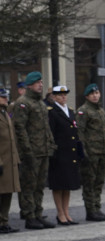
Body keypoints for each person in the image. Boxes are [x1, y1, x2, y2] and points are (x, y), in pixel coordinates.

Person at [12, 72, 56, 229]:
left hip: (43, 150)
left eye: (41, 82)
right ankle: (29, 216)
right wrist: (27, 151)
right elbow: (20, 129)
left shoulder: (40, 103)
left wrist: (50, 144)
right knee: (28, 185)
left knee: (39, 185)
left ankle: (38, 213)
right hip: (31, 152)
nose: (40, 85)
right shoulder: (23, 103)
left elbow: (46, 127)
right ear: (29, 85)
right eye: (37, 82)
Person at [46, 85, 82, 226]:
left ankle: (66, 212)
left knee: (67, 185)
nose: (63, 97)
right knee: (58, 185)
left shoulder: (70, 111)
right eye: (60, 95)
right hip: (59, 153)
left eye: (65, 95)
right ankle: (60, 213)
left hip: (70, 152)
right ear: (54, 97)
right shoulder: (52, 112)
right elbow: (51, 134)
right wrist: (53, 152)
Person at [76, 83, 105, 222]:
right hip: (91, 153)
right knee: (89, 182)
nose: (95, 96)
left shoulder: (101, 111)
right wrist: (83, 152)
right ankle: (90, 210)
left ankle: (97, 207)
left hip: (102, 151)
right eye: (92, 94)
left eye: (97, 93)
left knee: (99, 181)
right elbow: (80, 132)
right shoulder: (83, 111)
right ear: (87, 96)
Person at [0, 86, 21, 234]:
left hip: (10, 160)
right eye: (3, 97)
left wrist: (16, 159)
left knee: (8, 192)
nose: (6, 99)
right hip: (2, 161)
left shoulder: (5, 114)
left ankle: (4, 222)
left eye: (7, 97)